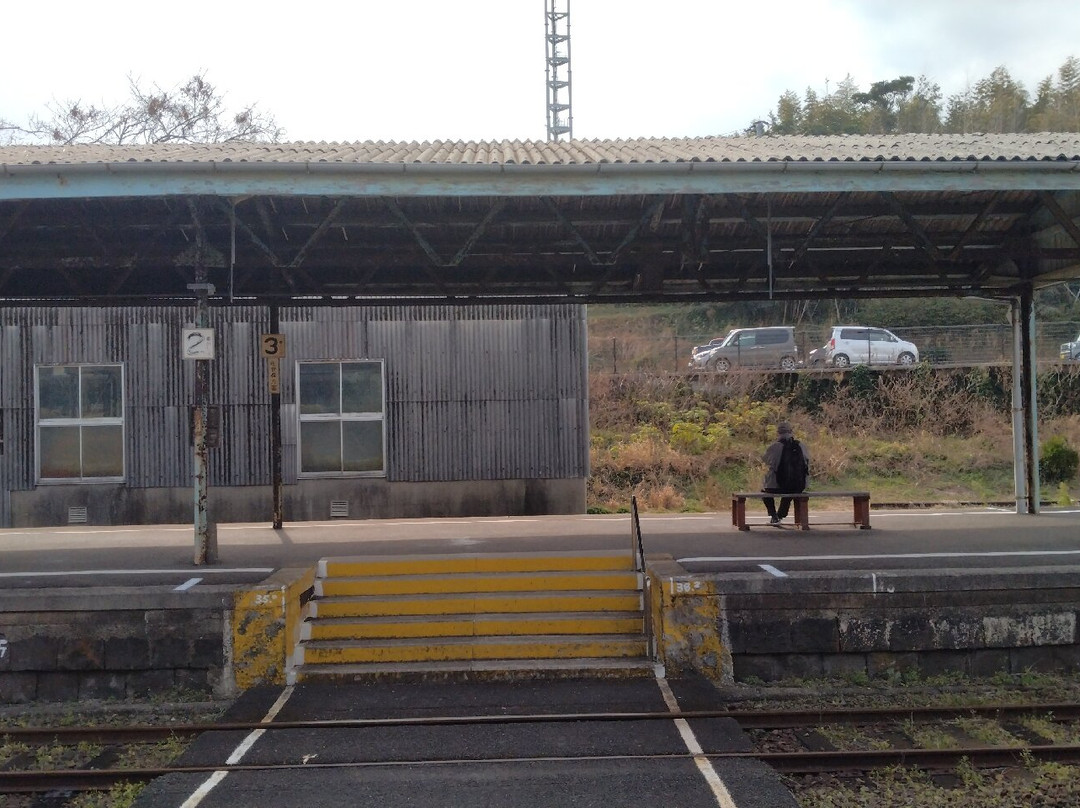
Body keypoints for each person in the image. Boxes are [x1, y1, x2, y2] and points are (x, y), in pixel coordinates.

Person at [762, 421, 810, 525]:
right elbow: (807, 460)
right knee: (789, 492)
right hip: (799, 485)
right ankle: (780, 515)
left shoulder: (775, 446)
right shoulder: (801, 445)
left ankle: (774, 516)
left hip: (778, 485)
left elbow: (766, 460)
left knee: (765, 492)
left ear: (778, 432)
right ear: (791, 431)